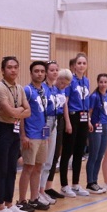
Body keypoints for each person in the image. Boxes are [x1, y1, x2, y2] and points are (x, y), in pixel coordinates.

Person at [0, 56, 30, 212]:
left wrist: (18, 112)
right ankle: (0, 207)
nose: (13, 70)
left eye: (15, 67)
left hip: (14, 129)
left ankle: (9, 203)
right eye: (9, 67)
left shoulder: (19, 88)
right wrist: (20, 110)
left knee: (12, 169)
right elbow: (10, 112)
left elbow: (29, 111)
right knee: (1, 168)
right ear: (2, 70)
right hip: (1, 129)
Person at [59, 55, 91, 198]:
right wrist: (67, 122)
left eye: (84, 63)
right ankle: (64, 185)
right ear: (74, 66)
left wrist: (88, 120)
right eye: (79, 63)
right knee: (67, 151)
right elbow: (65, 102)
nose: (81, 65)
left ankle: (76, 184)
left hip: (83, 117)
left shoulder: (86, 81)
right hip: (72, 116)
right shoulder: (70, 80)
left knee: (79, 152)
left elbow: (86, 102)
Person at [19, 61, 49, 210]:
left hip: (43, 135)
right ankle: (22, 200)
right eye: (36, 71)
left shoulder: (45, 90)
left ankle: (34, 198)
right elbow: (21, 114)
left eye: (42, 71)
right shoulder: (27, 90)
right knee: (28, 168)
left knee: (38, 167)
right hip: (31, 135)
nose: (40, 74)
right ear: (31, 73)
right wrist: (23, 135)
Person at [41, 64, 70, 203]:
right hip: (45, 122)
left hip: (55, 121)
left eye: (56, 70)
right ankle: (38, 191)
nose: (54, 72)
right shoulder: (43, 88)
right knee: (43, 159)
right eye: (52, 70)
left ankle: (43, 189)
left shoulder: (54, 89)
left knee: (51, 159)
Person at [85, 72, 107, 192]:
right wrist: (89, 122)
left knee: (100, 155)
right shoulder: (94, 96)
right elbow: (89, 112)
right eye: (101, 82)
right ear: (98, 83)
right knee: (93, 155)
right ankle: (90, 182)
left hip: (106, 126)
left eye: (105, 82)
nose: (103, 84)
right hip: (95, 126)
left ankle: (95, 181)